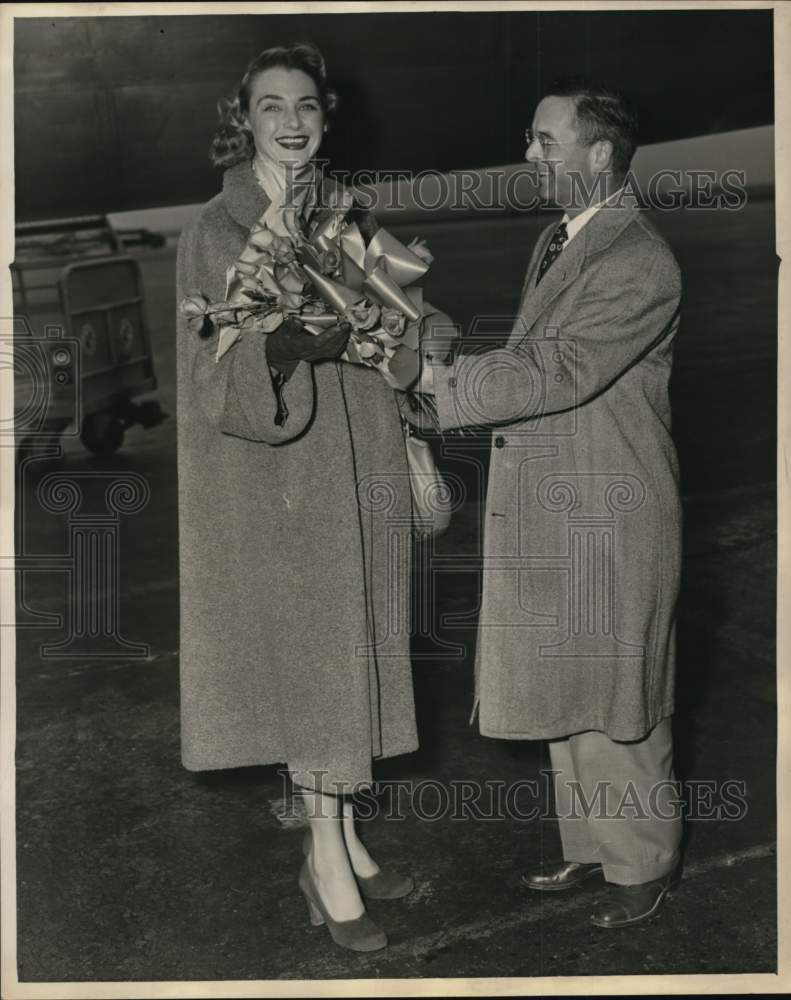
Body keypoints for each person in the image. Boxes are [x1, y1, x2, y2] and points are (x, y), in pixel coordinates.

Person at [416, 80, 683, 928]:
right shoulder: (563, 237)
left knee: (616, 693)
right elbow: (535, 360)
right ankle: (592, 846)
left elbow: (555, 371)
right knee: (571, 686)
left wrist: (430, 385)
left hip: (610, 503)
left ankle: (643, 864)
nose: (529, 153)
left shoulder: (638, 257)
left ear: (599, 153)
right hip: (562, 501)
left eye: (544, 140)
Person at [176, 42, 418, 953]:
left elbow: (393, 320)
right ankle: (322, 857)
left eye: (307, 106)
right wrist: (286, 350)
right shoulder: (215, 228)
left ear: (325, 116)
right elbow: (210, 377)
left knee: (349, 647)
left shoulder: (343, 215)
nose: (291, 122)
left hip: (357, 461)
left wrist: (393, 330)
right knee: (317, 662)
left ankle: (345, 831)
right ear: (243, 119)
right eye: (271, 106)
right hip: (280, 479)